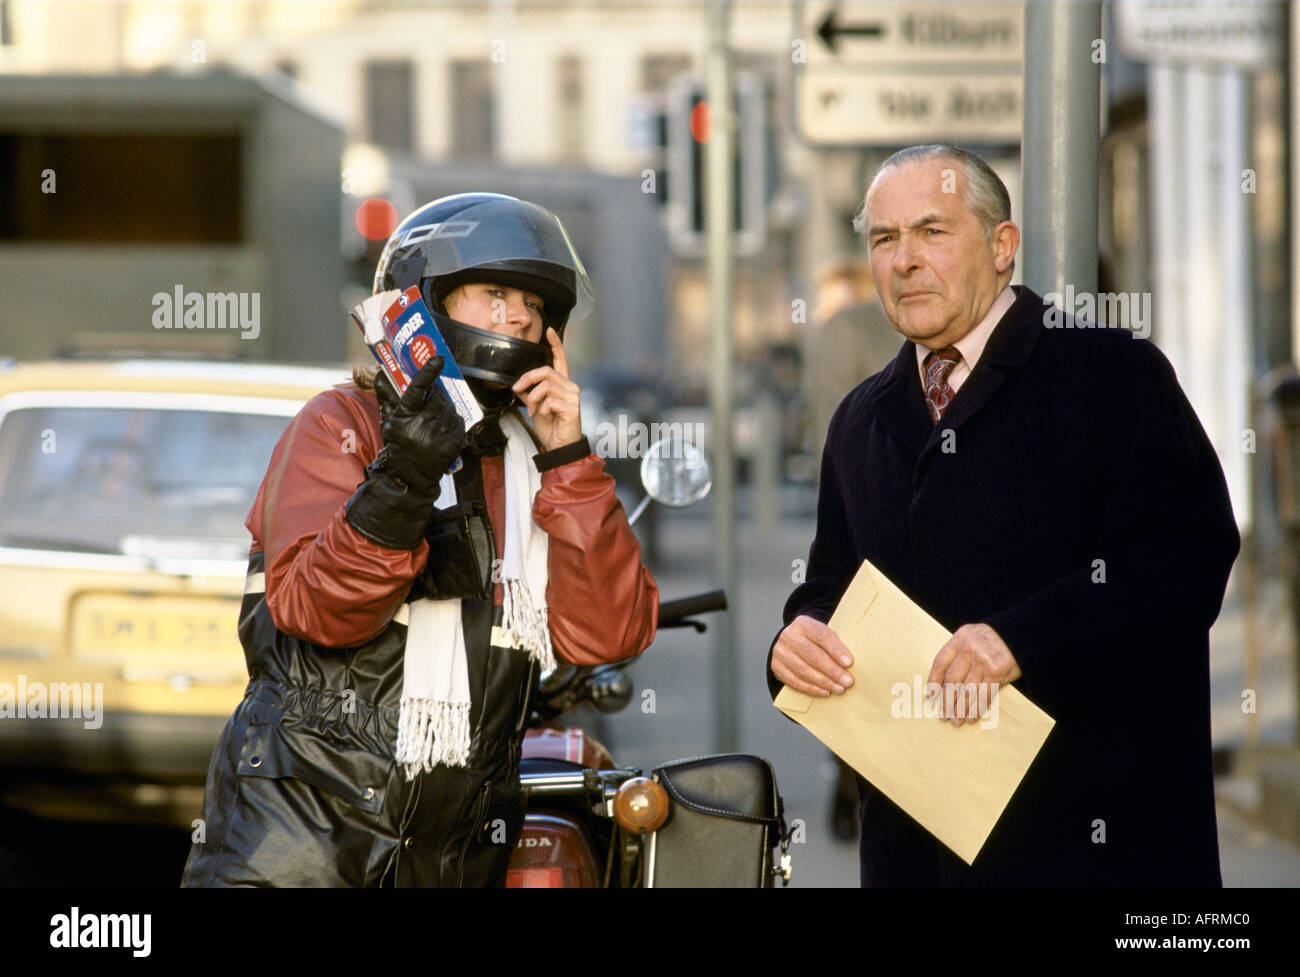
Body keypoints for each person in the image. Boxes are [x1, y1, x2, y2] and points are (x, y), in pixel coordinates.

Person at [767, 145, 1239, 887]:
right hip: (917, 855)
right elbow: (832, 583)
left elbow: (1185, 560)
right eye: (884, 239)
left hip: (1096, 849)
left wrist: (1020, 640)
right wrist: (797, 636)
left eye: (932, 231)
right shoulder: (860, 418)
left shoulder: (1113, 375)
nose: (905, 260)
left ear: (1001, 247)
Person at [182, 193, 658, 887]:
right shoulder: (341, 425)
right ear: (424, 304)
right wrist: (405, 473)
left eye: (532, 302)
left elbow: (611, 633)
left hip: (450, 857)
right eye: (495, 293)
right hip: (295, 852)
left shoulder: (529, 461)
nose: (519, 316)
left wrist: (571, 464)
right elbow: (317, 608)